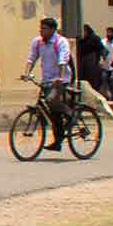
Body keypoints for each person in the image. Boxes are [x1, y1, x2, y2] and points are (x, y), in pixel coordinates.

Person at [24, 17, 76, 150]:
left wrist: (60, 76)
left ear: (53, 30)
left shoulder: (60, 41)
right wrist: (26, 73)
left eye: (44, 28)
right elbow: (31, 58)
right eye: (40, 28)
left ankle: (71, 114)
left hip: (61, 79)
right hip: (46, 79)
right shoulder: (37, 42)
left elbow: (63, 60)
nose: (41, 31)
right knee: (52, 113)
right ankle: (57, 141)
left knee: (51, 99)